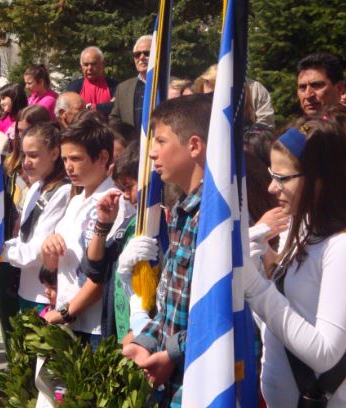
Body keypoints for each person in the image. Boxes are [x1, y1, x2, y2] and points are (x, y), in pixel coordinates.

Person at [243, 120, 346, 407]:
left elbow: (325, 353)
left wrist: (255, 287)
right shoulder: (302, 227)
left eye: (283, 178)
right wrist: (254, 262)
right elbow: (276, 327)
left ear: (320, 181)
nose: (271, 187)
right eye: (271, 175)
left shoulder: (344, 247)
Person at [121, 93, 212, 406]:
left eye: (161, 141)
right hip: (173, 385)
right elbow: (171, 307)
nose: (152, 153)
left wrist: (172, 353)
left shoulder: (212, 221)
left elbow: (218, 314)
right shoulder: (183, 212)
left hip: (200, 385)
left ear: (194, 145)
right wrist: (146, 341)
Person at [40, 118, 134, 348]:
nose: (68, 167)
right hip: (69, 321)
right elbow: (56, 264)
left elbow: (103, 273)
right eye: (65, 159)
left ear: (102, 157)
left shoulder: (115, 202)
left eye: (76, 158)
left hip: (95, 327)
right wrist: (48, 250)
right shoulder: (76, 200)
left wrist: (66, 312)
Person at [3, 123, 71, 313]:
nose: (26, 162)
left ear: (54, 153)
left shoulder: (63, 191)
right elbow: (24, 239)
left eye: (33, 155)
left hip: (46, 295)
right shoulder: (36, 187)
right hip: (26, 290)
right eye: (24, 155)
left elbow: (39, 250)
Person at [80, 140, 140, 340]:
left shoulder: (161, 226)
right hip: (117, 335)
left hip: (141, 337)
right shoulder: (128, 223)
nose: (125, 196)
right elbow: (94, 268)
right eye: (122, 188)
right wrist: (103, 224)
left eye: (129, 187)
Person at [109, 35, 152, 129]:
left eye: (147, 53)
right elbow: (114, 118)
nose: (141, 57)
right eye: (137, 54)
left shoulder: (171, 85)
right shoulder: (123, 88)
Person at [66, 46, 119, 117]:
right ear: (81, 66)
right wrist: (104, 107)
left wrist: (90, 107)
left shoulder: (114, 85)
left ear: (103, 64)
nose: (89, 68)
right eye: (86, 65)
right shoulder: (74, 86)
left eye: (93, 64)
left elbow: (116, 107)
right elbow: (71, 109)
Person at [296, 52, 344, 117]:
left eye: (317, 85)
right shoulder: (296, 123)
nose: (308, 95)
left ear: (339, 88)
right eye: (302, 87)